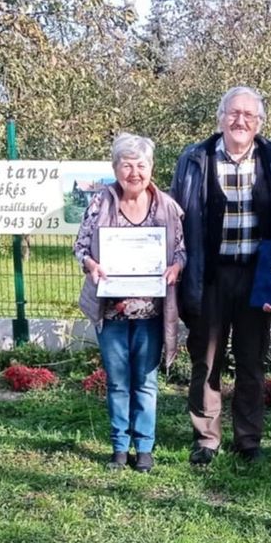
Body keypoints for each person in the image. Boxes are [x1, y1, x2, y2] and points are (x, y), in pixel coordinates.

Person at [170, 86, 271, 465]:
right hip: (209, 274)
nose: (240, 121)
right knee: (205, 361)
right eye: (233, 113)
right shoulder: (195, 158)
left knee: (251, 362)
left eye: (249, 115)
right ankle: (206, 438)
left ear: (259, 122)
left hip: (258, 275)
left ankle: (248, 440)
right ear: (220, 117)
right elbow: (179, 219)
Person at [75, 133, 185, 473]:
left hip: (152, 312)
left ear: (151, 168)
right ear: (115, 168)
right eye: (127, 165)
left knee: (146, 382)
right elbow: (80, 247)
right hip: (112, 312)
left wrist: (177, 265)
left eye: (141, 165)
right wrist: (91, 264)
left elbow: (182, 249)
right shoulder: (100, 204)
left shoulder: (168, 206)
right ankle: (120, 448)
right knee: (118, 381)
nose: (134, 172)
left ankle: (146, 449)